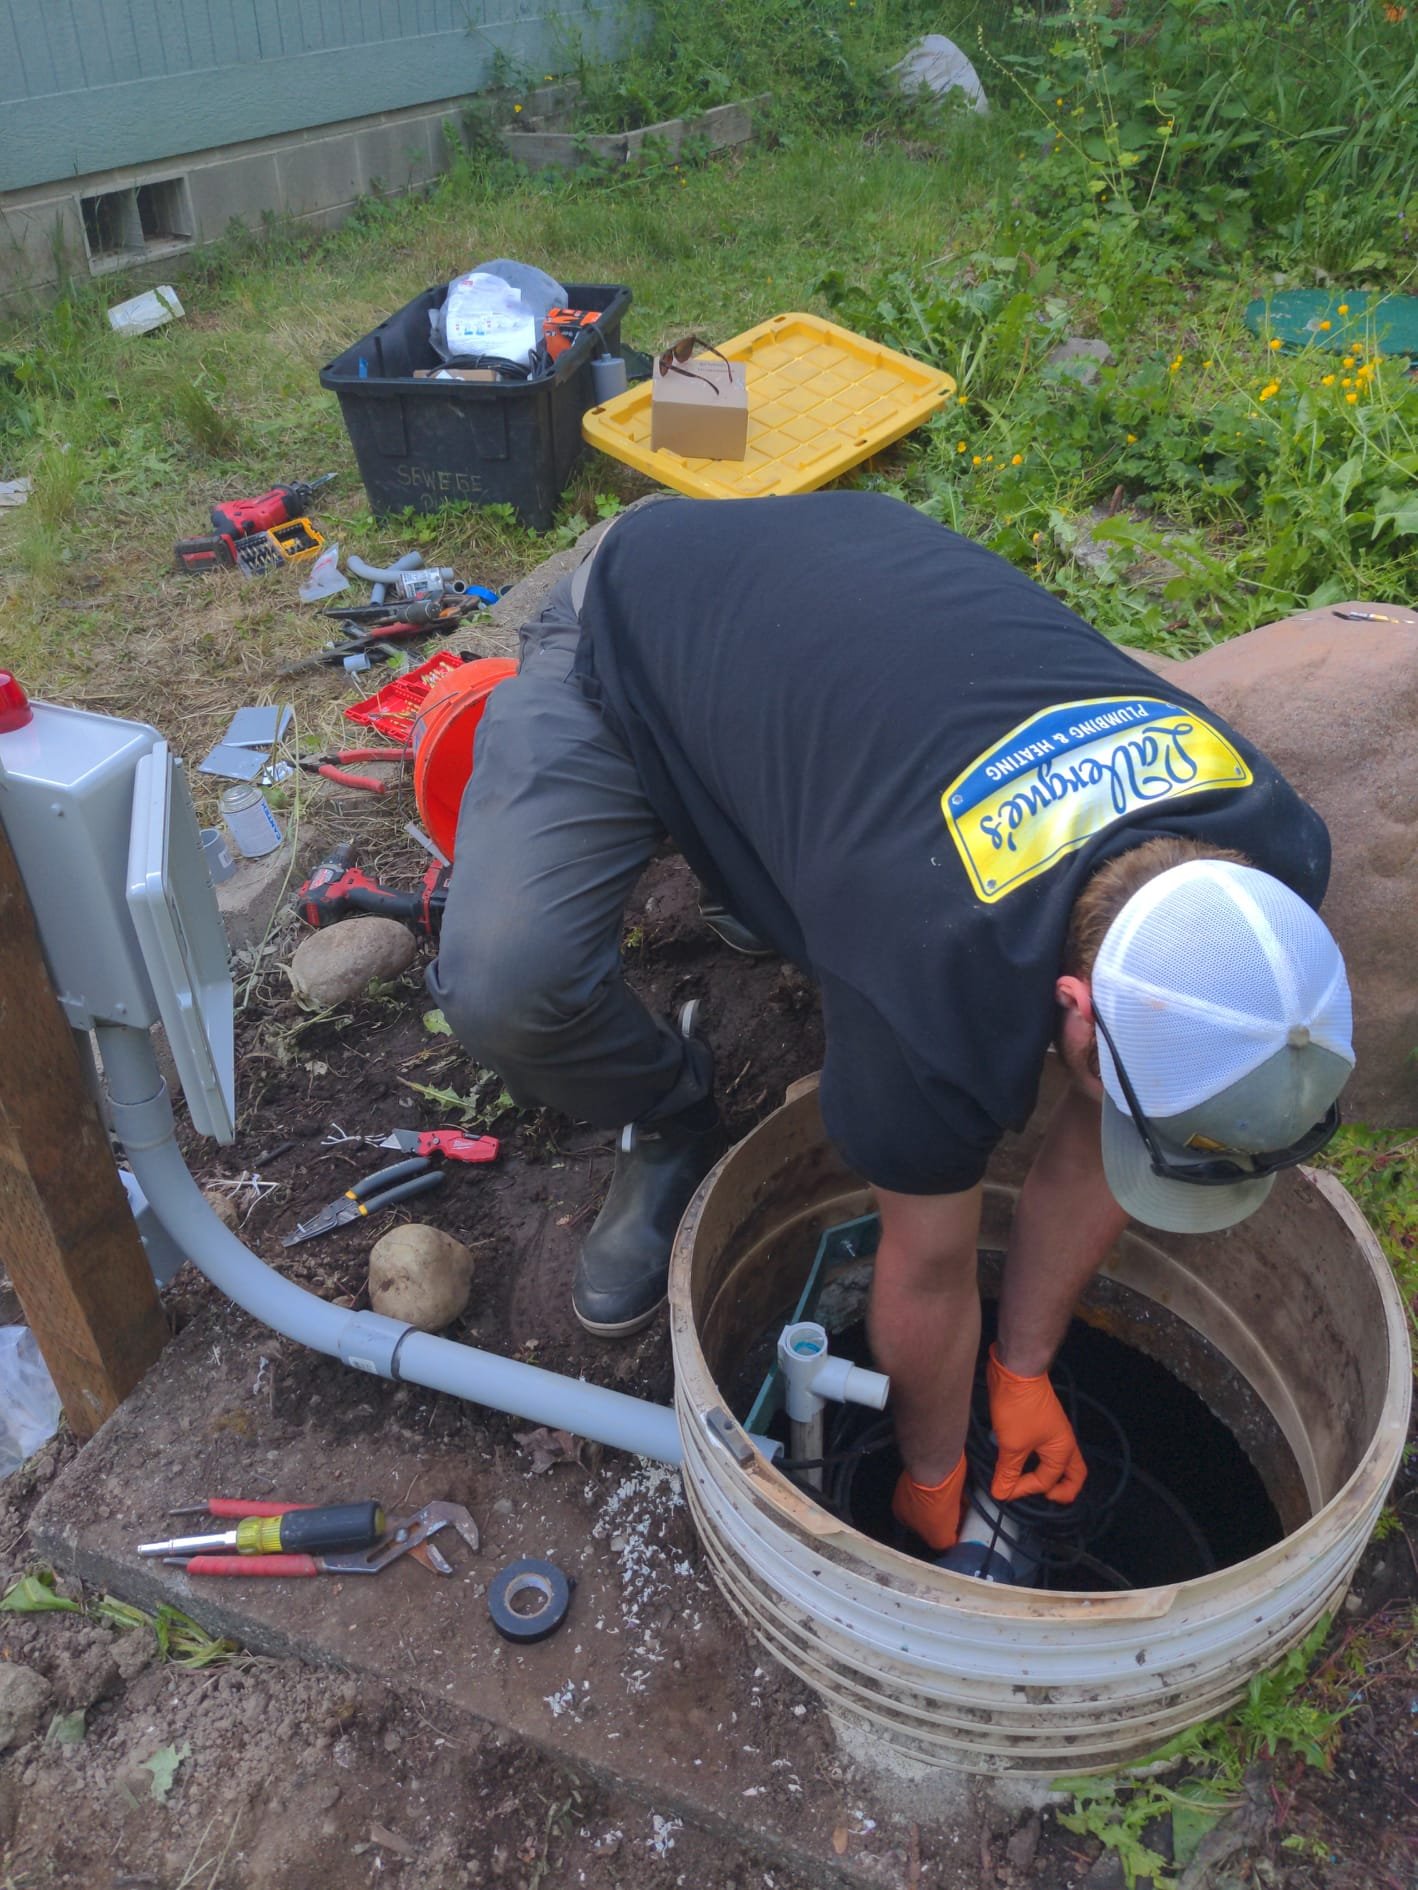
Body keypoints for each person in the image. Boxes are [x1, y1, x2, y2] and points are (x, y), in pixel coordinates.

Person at [428, 493, 1353, 1556]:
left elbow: (1105, 1140)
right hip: (636, 618)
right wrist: (931, 1472)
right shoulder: (930, 974)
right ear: (1073, 1008)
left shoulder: (1271, 852)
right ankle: (666, 1108)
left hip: (846, 622)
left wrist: (1019, 1372)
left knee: (833, 860)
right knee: (508, 986)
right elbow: (923, 1265)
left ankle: (748, 854)